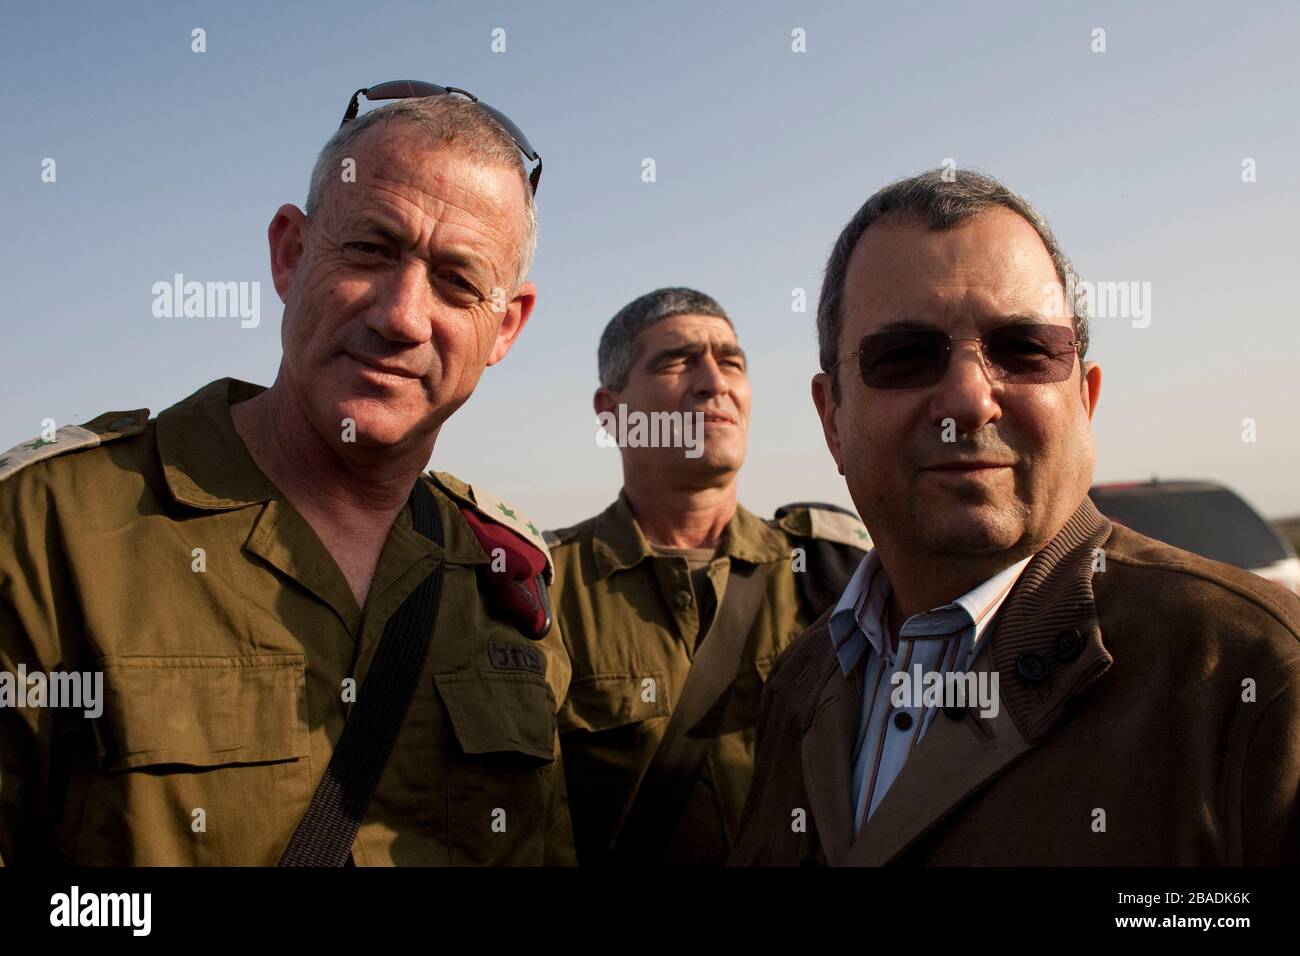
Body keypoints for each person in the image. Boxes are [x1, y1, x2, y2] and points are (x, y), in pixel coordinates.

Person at [0, 85, 575, 865]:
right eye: (371, 250)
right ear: (290, 253)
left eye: (457, 282)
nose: (403, 316)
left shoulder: (508, 582)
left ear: (505, 326)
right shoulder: (45, 530)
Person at [729, 169, 1300, 866]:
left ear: (1085, 400)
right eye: (905, 356)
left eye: (1024, 350)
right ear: (832, 420)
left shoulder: (1258, 679)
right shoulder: (800, 684)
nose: (969, 401)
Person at [547, 287, 869, 865]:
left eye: (732, 362)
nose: (713, 382)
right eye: (677, 361)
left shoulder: (832, 569)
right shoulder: (546, 587)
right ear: (611, 411)